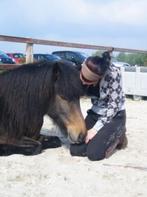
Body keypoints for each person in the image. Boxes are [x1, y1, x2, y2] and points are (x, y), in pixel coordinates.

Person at [70, 51, 127, 161]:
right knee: (75, 149)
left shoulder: (113, 74)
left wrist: (94, 130)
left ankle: (120, 135)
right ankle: (102, 137)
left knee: (94, 154)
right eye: (82, 77)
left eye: (88, 81)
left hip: (114, 115)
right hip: (95, 112)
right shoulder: (82, 68)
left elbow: (114, 106)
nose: (84, 82)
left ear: (99, 78)